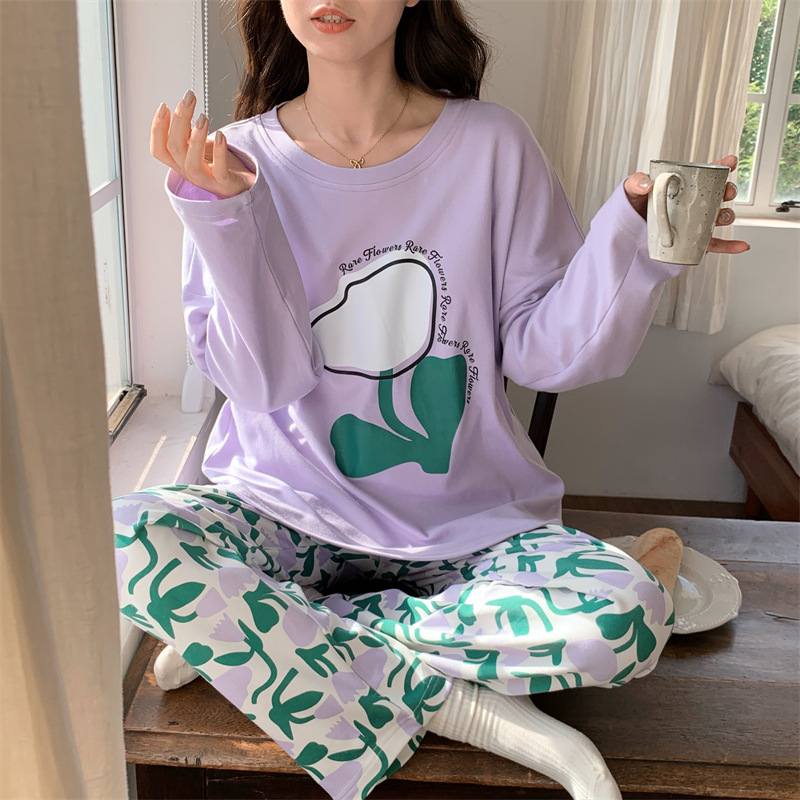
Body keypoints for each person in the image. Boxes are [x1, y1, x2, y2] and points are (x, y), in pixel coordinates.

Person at [113, 2, 748, 799]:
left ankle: (278, 635)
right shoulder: (233, 163)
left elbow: (546, 354)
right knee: (123, 537)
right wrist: (225, 215)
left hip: (468, 530)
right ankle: (455, 700)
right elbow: (265, 383)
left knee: (623, 616)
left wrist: (632, 242)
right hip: (286, 516)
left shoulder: (492, 146)